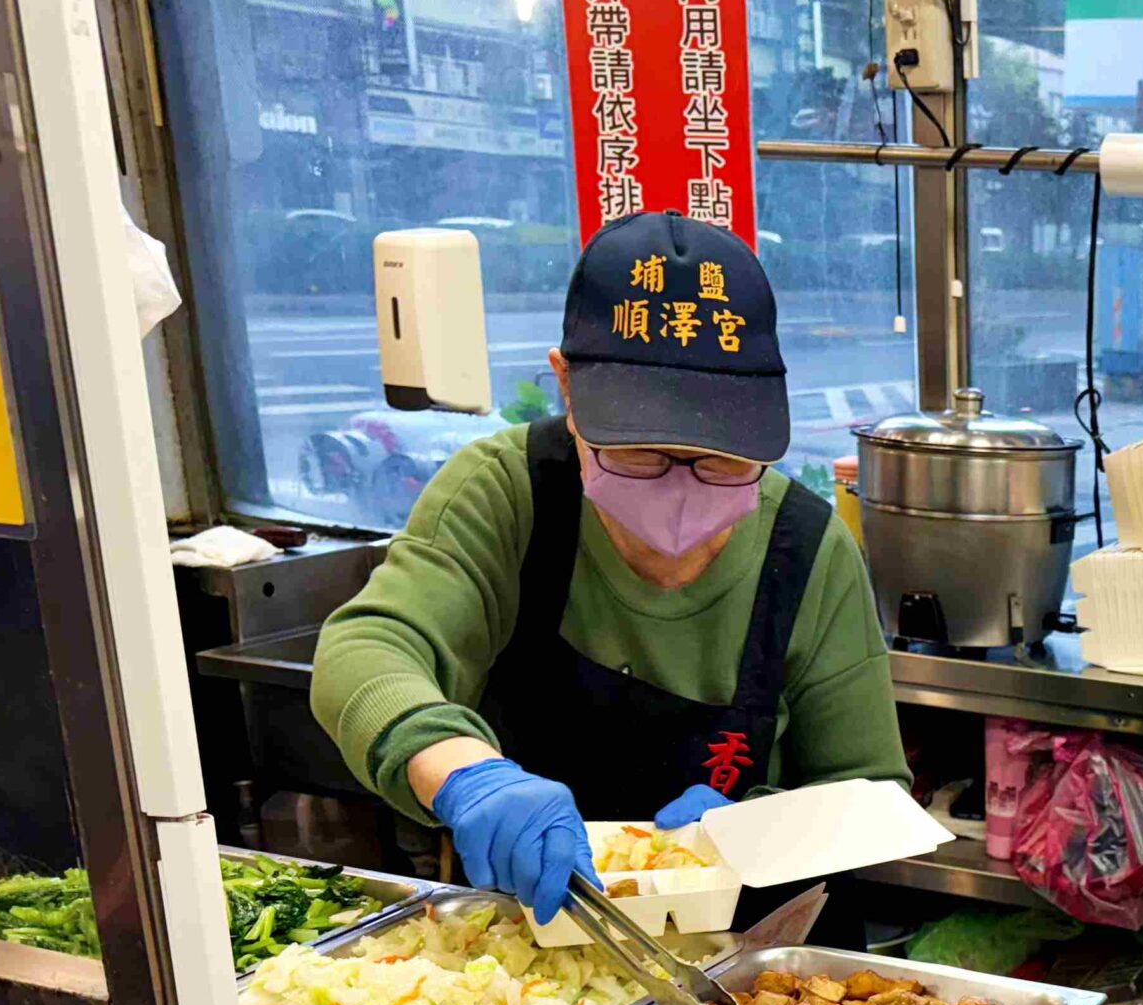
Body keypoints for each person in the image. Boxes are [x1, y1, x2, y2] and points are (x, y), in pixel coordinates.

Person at [311, 210, 906, 922]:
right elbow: (370, 647)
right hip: (528, 940)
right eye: (639, 452)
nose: (681, 486)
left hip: (748, 947)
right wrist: (465, 773)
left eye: (721, 459)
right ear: (566, 386)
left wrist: (756, 831)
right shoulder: (509, 493)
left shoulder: (807, 550)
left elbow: (871, 793)